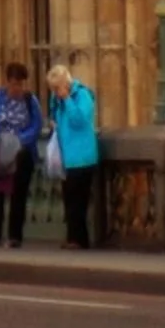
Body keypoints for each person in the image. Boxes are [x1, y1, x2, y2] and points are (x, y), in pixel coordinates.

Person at [0, 63, 41, 250]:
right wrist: (1, 137)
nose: (18, 89)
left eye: (21, 84)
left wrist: (18, 141)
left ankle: (15, 236)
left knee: (18, 196)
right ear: (7, 82)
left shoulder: (31, 101)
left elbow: (37, 125)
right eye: (14, 84)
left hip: (22, 154)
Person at [47, 62, 100, 249]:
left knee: (78, 202)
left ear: (65, 84)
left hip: (83, 157)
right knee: (69, 200)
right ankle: (73, 238)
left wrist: (67, 99)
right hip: (67, 159)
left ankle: (80, 240)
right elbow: (56, 121)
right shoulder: (58, 101)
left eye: (56, 88)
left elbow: (79, 120)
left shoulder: (82, 95)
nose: (54, 92)